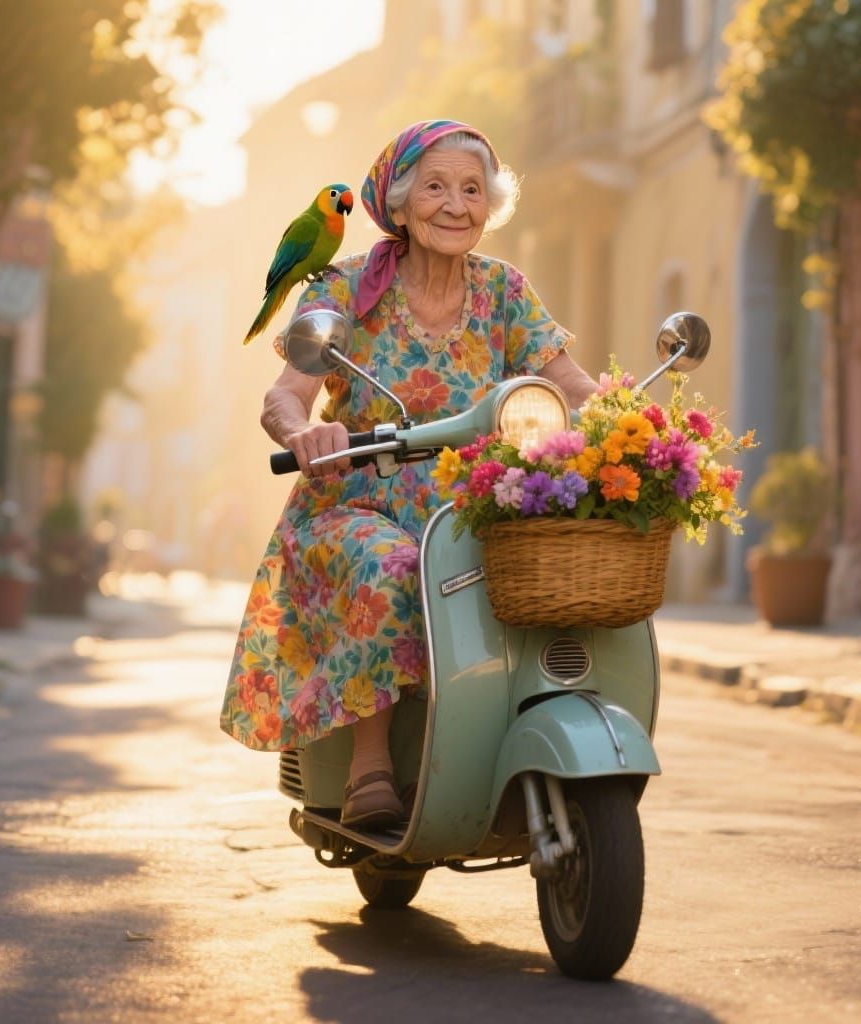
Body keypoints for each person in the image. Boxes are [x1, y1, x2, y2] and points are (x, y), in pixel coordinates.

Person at [221, 120, 598, 827]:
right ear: (398, 204)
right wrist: (306, 432)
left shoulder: (505, 290)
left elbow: (571, 383)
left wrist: (624, 422)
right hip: (359, 502)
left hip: (477, 499)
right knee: (399, 565)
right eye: (435, 187)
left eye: (472, 190)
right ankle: (370, 764)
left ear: (490, 206)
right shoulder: (344, 284)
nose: (456, 205)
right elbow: (286, 393)